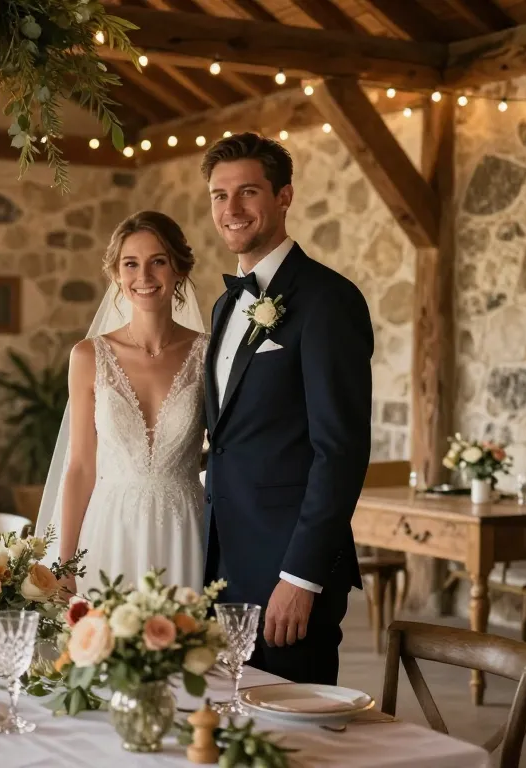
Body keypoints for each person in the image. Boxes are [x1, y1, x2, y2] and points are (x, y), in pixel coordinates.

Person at [201, 132, 373, 685]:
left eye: (248, 192)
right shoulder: (226, 303)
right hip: (224, 565)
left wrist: (300, 577)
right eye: (219, 195)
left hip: (287, 570)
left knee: (301, 741)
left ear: (284, 196)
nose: (232, 210)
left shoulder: (328, 300)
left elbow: (339, 451)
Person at [36, 210, 208, 597]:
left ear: (179, 269)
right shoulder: (87, 356)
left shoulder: (206, 354)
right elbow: (80, 466)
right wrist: (65, 563)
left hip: (184, 529)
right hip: (108, 530)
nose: (143, 277)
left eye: (157, 262)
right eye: (130, 264)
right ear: (116, 274)